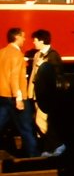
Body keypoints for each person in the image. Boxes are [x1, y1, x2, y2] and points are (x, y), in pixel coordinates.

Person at [0, 27, 38, 157]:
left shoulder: (2, 52)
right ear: (16, 37)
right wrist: (19, 98)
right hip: (16, 97)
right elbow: (14, 77)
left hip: (3, 96)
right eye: (23, 36)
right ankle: (34, 158)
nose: (24, 39)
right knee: (26, 129)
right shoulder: (17, 55)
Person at [27, 29, 63, 157]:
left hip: (46, 95)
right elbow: (33, 75)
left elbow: (57, 76)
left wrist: (45, 67)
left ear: (42, 41)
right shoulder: (37, 55)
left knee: (42, 121)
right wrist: (30, 92)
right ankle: (49, 148)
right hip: (38, 94)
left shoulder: (53, 55)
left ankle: (57, 146)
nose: (33, 43)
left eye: (35, 40)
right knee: (42, 122)